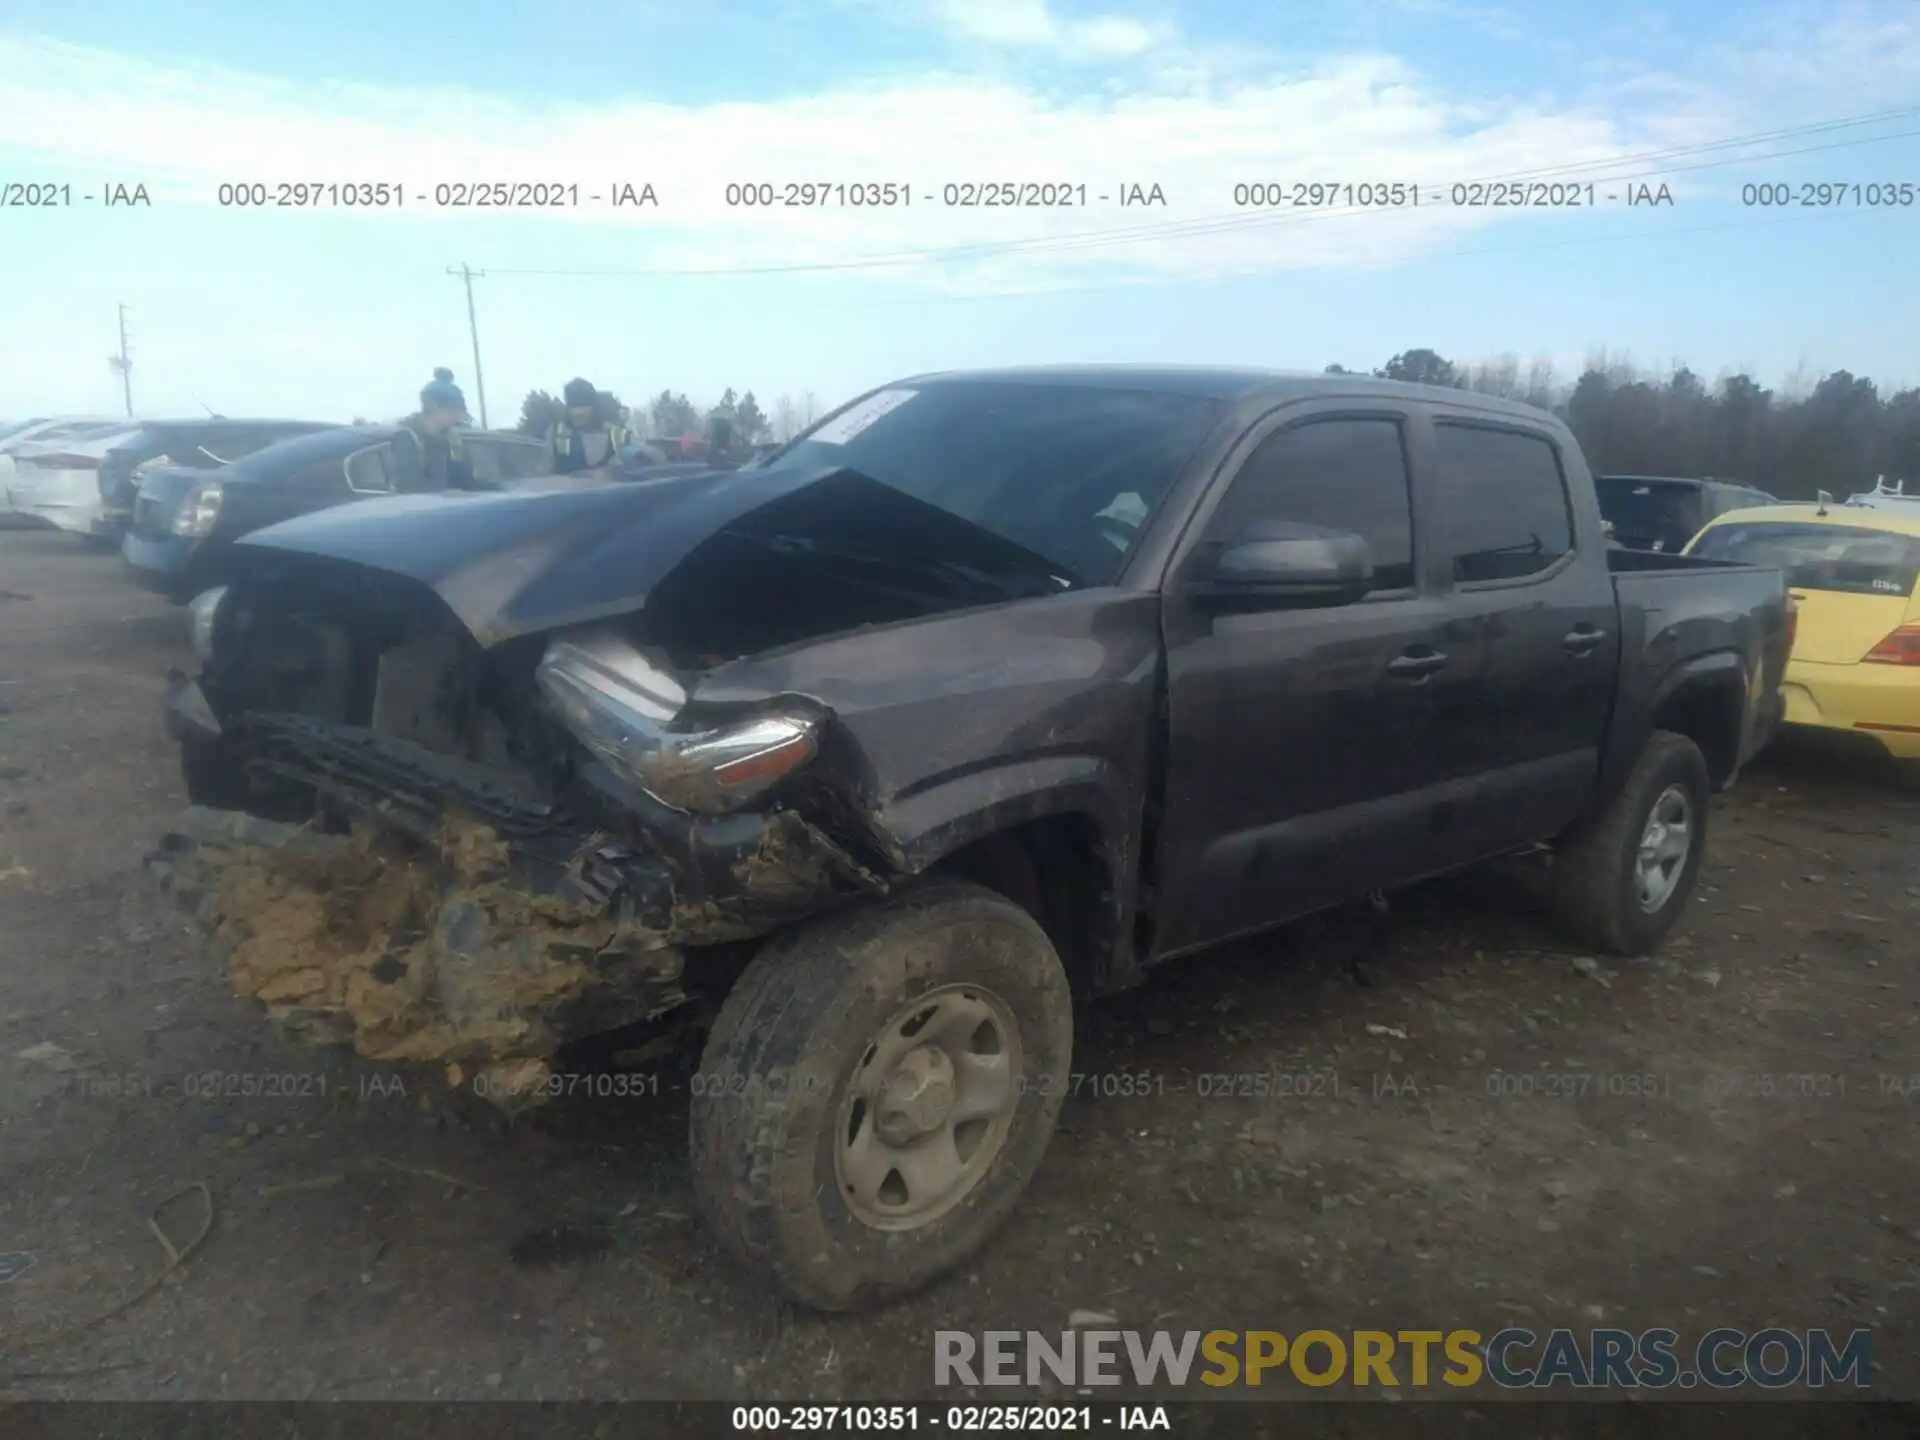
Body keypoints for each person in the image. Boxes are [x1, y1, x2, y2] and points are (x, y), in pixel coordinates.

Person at [397, 367, 473, 489]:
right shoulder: (405, 440)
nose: (458, 417)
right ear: (435, 407)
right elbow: (408, 487)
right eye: (453, 412)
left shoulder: (450, 440)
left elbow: (463, 482)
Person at [548, 378, 632, 474]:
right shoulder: (557, 435)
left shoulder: (618, 434)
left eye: (585, 405)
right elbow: (543, 477)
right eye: (574, 406)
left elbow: (647, 457)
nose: (579, 412)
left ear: (595, 407)